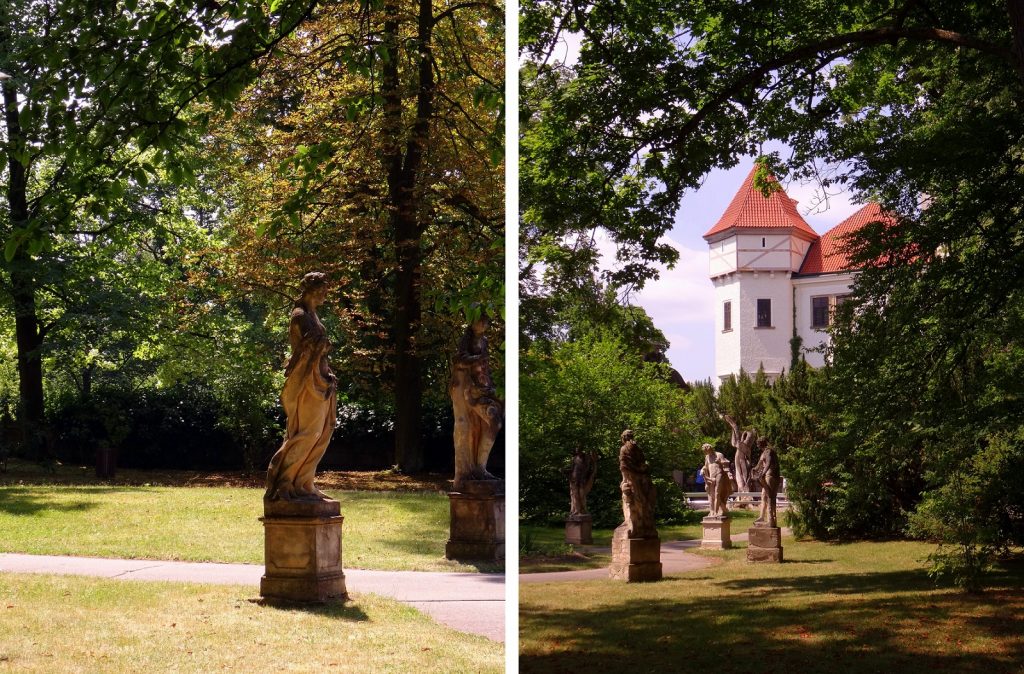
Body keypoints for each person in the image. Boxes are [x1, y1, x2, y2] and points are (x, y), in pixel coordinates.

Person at [265, 272, 337, 501]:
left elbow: (318, 345)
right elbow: (309, 348)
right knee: (308, 433)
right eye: (323, 288)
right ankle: (283, 484)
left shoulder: (312, 315)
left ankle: (304, 483)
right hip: (308, 382)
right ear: (312, 289)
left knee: (321, 434)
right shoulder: (300, 315)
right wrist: (323, 346)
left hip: (321, 379)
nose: (326, 293)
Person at [450, 314, 504, 490]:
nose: (483, 323)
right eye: (479, 320)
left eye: (485, 320)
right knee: (492, 420)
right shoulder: (467, 339)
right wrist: (476, 360)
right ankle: (478, 468)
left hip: (484, 386)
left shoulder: (485, 341)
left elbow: (485, 367)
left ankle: (481, 467)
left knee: (496, 421)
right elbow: (459, 359)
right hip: (470, 389)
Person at [751, 438, 781, 527]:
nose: (757, 445)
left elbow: (768, 463)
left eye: (758, 444)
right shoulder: (764, 452)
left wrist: (762, 474)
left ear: (761, 443)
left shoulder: (768, 451)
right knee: (763, 496)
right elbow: (759, 465)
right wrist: (754, 469)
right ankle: (762, 516)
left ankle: (771, 519)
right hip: (767, 475)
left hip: (771, 475)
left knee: (770, 497)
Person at [701, 442, 734, 518]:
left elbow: (725, 465)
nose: (706, 453)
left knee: (717, 493)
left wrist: (729, 473)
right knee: (711, 494)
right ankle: (714, 511)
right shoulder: (707, 457)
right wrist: (703, 469)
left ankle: (716, 512)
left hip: (719, 474)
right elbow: (706, 466)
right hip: (711, 477)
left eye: (706, 451)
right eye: (705, 452)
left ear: (709, 449)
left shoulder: (719, 455)